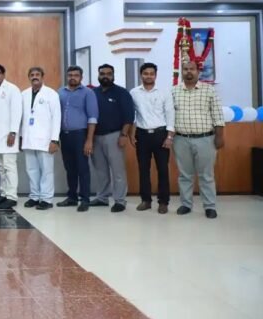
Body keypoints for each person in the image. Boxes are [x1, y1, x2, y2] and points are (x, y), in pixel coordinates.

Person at [172, 60, 225, 219]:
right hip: (181, 140)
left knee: (206, 175)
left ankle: (210, 206)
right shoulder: (174, 91)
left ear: (198, 71)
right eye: (185, 69)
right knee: (184, 175)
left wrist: (219, 136)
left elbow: (218, 115)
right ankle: (186, 204)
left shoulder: (209, 90)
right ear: (182, 72)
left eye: (192, 69)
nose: (189, 72)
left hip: (205, 139)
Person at [129, 63, 175, 214]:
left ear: (155, 75)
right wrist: (131, 134)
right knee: (143, 169)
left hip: (161, 134)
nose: (148, 76)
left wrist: (170, 136)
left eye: (151, 73)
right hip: (142, 135)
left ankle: (163, 202)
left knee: (163, 169)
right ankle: (146, 200)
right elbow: (133, 115)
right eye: (145, 73)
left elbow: (170, 114)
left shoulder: (164, 92)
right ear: (141, 75)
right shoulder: (134, 92)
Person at [89, 64, 134, 213]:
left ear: (113, 76)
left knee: (117, 170)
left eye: (109, 74)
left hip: (114, 136)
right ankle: (102, 198)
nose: (105, 76)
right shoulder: (93, 93)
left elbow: (129, 116)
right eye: (102, 74)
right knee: (100, 170)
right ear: (98, 75)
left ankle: (120, 200)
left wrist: (123, 135)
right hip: (95, 137)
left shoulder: (121, 93)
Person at [57, 65, 98, 212]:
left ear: (81, 77)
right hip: (64, 135)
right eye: (70, 75)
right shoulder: (60, 92)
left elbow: (92, 117)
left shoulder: (88, 93)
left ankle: (85, 199)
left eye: (76, 75)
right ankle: (72, 197)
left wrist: (89, 140)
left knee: (82, 168)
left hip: (80, 135)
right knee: (70, 168)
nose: (72, 78)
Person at [20, 67, 61, 210]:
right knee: (31, 170)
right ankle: (34, 196)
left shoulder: (51, 94)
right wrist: (21, 137)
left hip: (45, 140)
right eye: (32, 75)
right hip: (28, 138)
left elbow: (56, 118)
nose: (34, 77)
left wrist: (54, 140)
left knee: (46, 171)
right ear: (29, 77)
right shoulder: (24, 94)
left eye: (37, 74)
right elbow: (21, 118)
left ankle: (46, 199)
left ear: (42, 77)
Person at [0, 64, 22, 208]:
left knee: (9, 166)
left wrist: (13, 132)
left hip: (8, 136)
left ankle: (12, 197)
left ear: (3, 74)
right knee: (1, 167)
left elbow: (17, 112)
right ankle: (4, 193)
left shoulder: (12, 89)